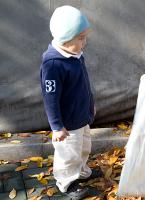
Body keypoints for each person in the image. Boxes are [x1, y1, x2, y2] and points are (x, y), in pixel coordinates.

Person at [40, 5, 99, 200]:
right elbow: (50, 99)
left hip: (82, 117)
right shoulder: (53, 64)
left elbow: (82, 86)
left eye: (84, 37)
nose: (85, 42)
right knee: (68, 154)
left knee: (83, 148)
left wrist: (90, 105)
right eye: (80, 38)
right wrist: (57, 126)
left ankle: (81, 172)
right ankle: (67, 182)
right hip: (67, 124)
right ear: (66, 37)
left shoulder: (75, 55)